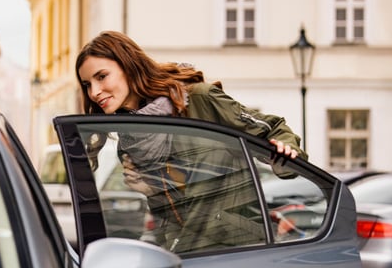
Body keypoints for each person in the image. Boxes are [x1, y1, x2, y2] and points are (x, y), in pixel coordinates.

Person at [75, 30, 308, 252]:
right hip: (189, 252)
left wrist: (285, 152)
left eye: (102, 76)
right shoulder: (129, 139)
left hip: (240, 248)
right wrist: (151, 190)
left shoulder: (198, 99)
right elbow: (171, 215)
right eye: (87, 84)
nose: (94, 92)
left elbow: (272, 128)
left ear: (128, 66)